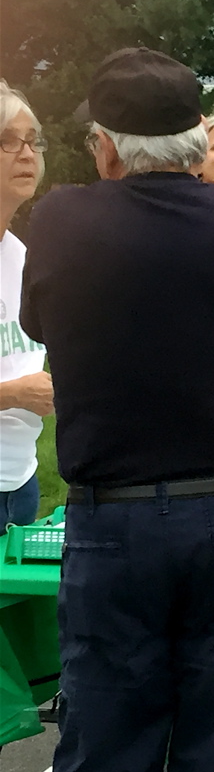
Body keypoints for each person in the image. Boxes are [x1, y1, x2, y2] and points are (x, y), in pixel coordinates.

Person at [21, 48, 214, 772]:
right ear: (196, 143)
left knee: (106, 736)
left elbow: (38, 328)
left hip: (114, 517)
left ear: (107, 148)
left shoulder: (63, 220)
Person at [0, 80, 54, 530]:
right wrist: (14, 395)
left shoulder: (22, 255)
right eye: (7, 141)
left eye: (33, 142)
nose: (26, 154)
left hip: (20, 482)